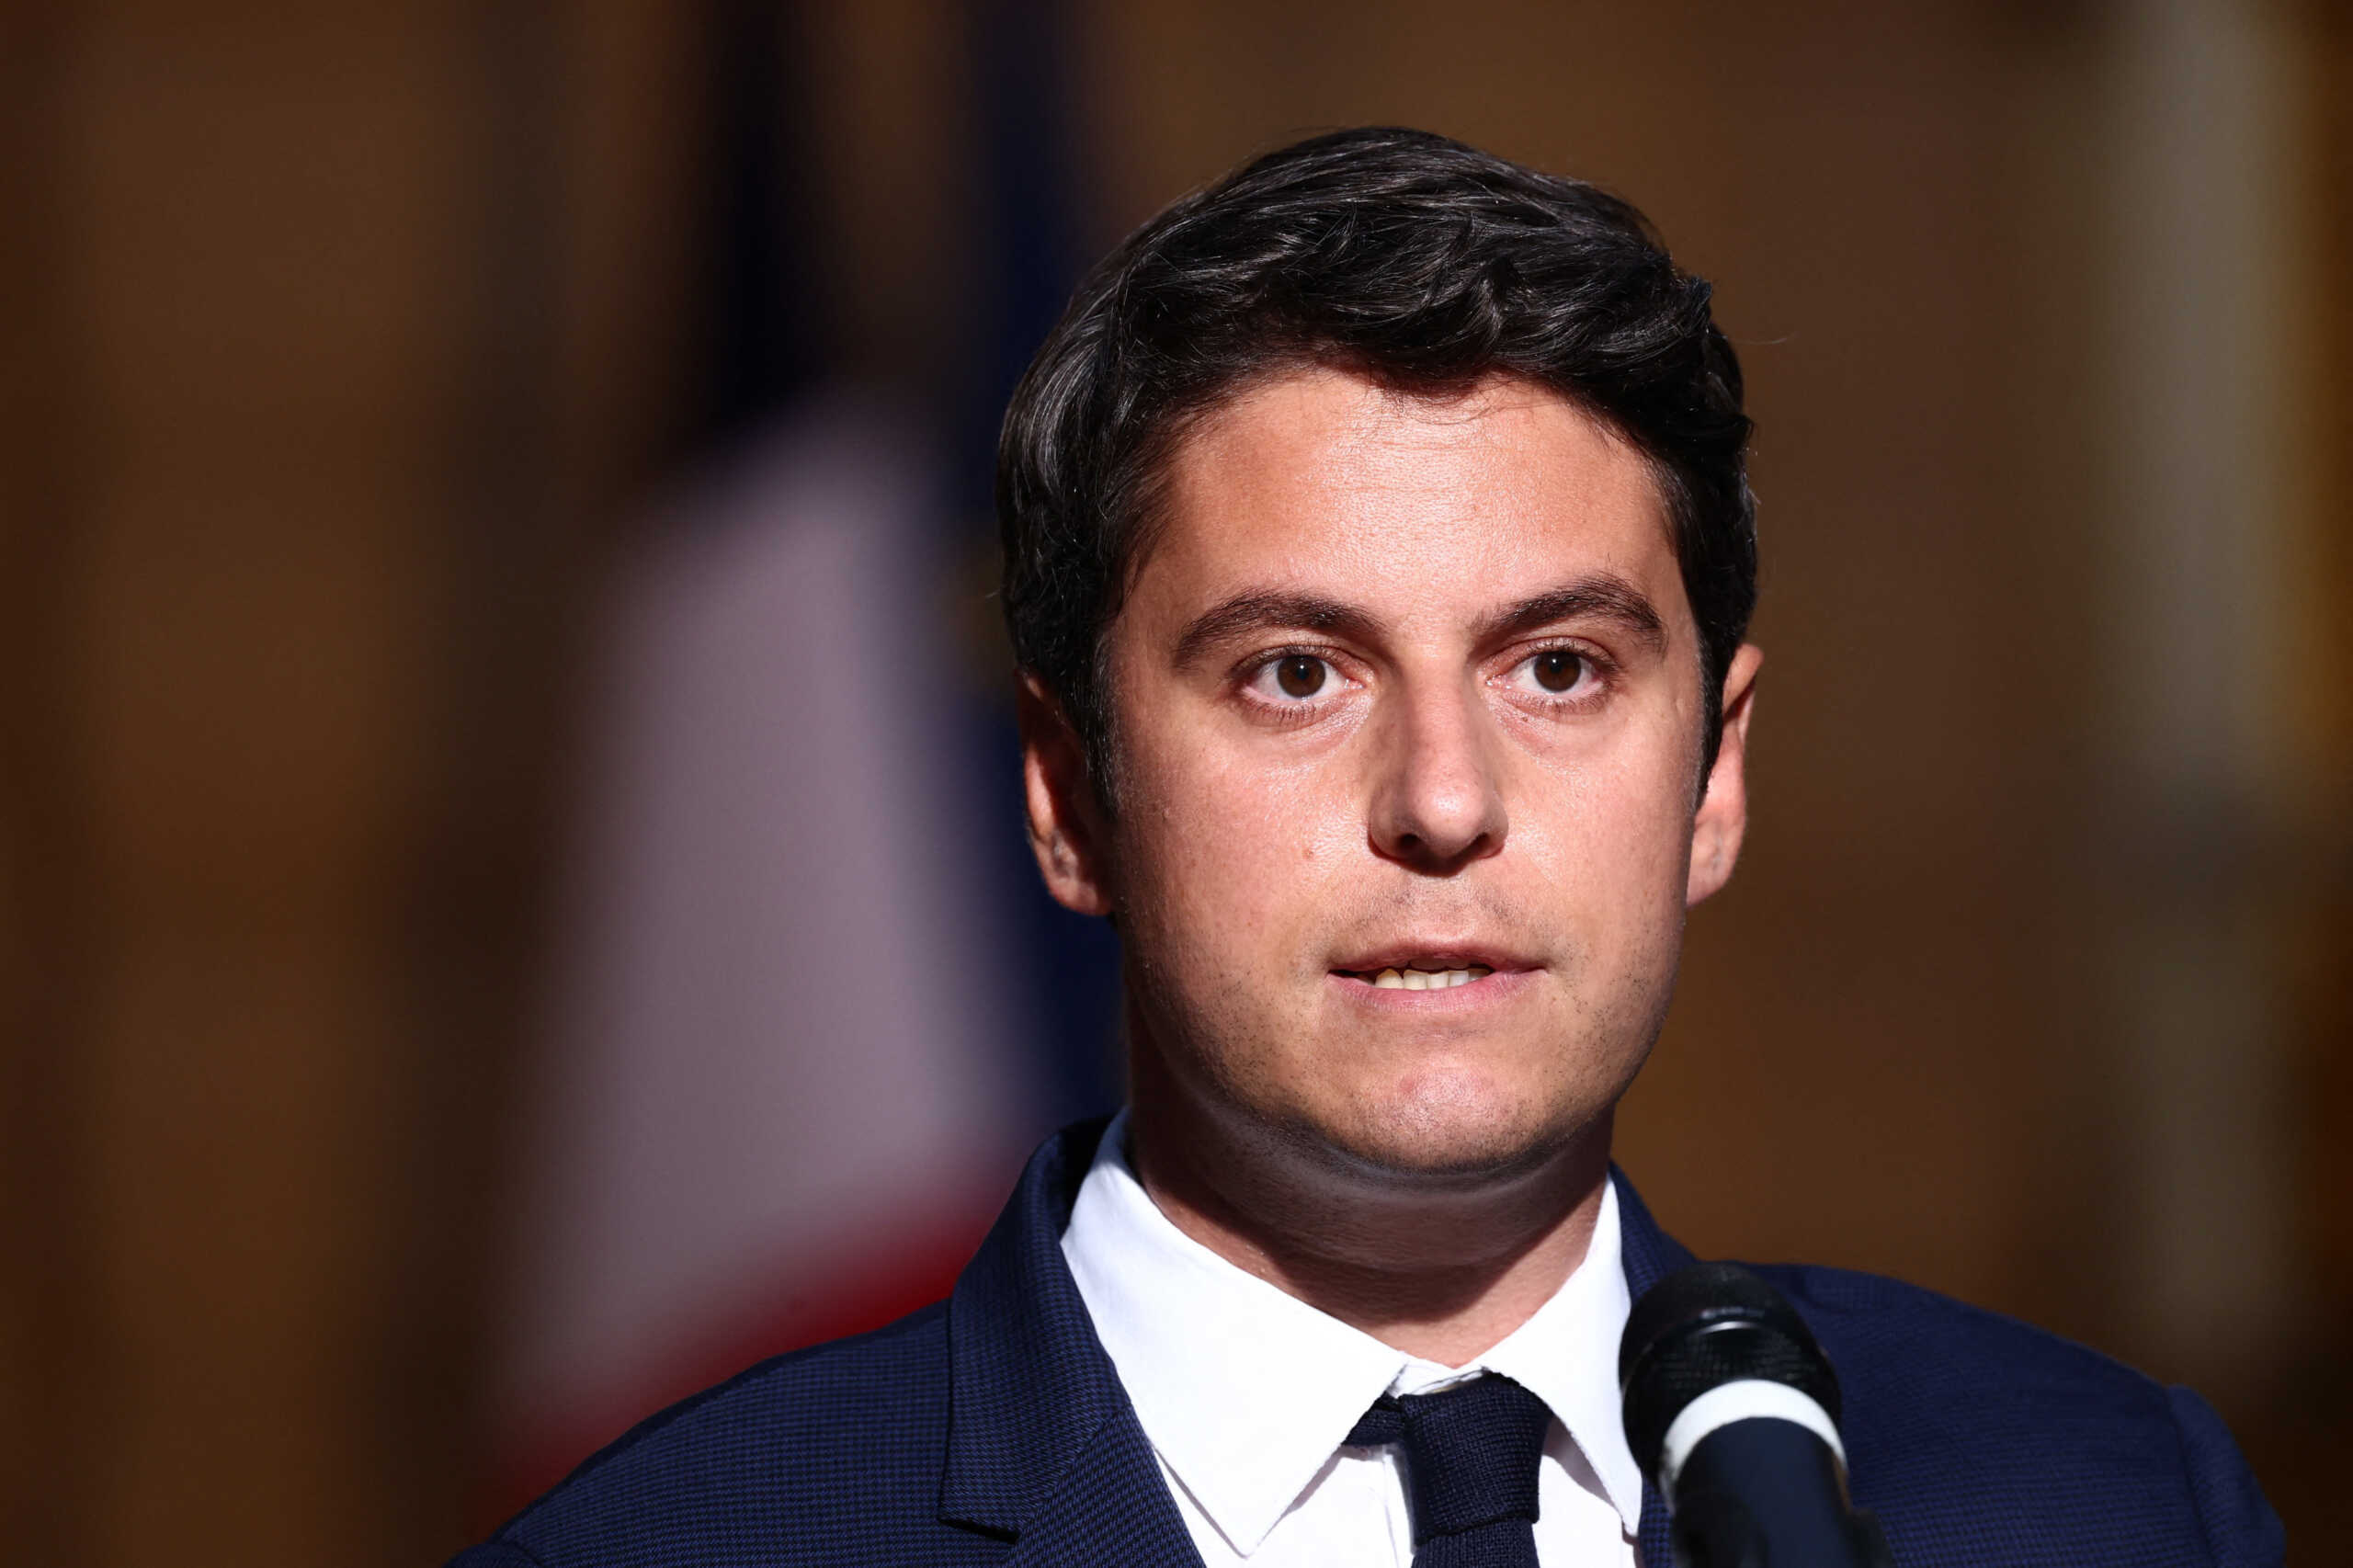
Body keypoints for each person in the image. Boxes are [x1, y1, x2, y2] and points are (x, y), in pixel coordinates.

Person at [451, 128, 2282, 1567]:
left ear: (1709, 775)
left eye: (1556, 668)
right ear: (1068, 792)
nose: (1441, 798)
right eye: (1297, 673)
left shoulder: (2106, 1507)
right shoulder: (675, 1549)